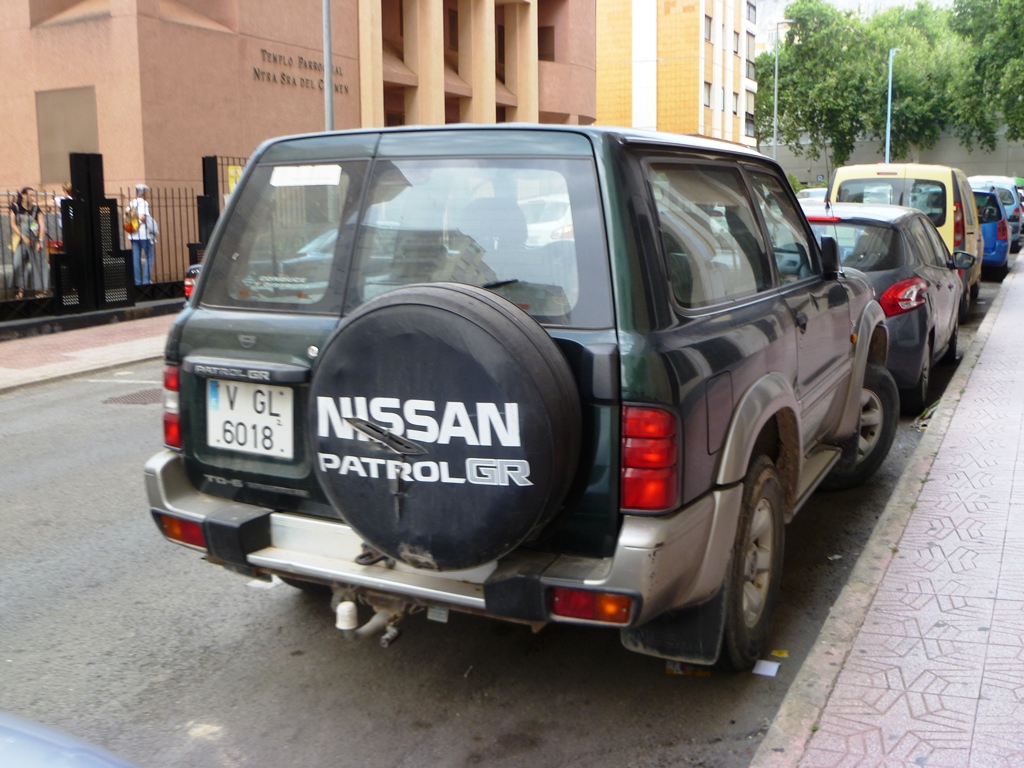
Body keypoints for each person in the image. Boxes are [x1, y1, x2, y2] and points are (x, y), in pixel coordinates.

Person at [8, 187, 46, 299]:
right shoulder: (15, 207)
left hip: (34, 239)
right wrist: (23, 237)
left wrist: (40, 241)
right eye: (31, 195)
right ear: (23, 195)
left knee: (38, 264)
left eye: (34, 195)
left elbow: (41, 225)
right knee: (17, 263)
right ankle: (20, 289)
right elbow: (13, 224)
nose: (33, 197)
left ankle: (40, 290)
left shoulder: (35, 208)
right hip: (21, 240)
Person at [128, 183, 154, 285]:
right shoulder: (143, 203)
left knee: (136, 258)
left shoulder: (131, 203)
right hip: (144, 235)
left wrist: (133, 225)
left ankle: (137, 282)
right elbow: (142, 217)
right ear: (144, 193)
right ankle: (146, 281)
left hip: (133, 235)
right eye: (147, 192)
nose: (148, 194)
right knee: (149, 256)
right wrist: (138, 222)